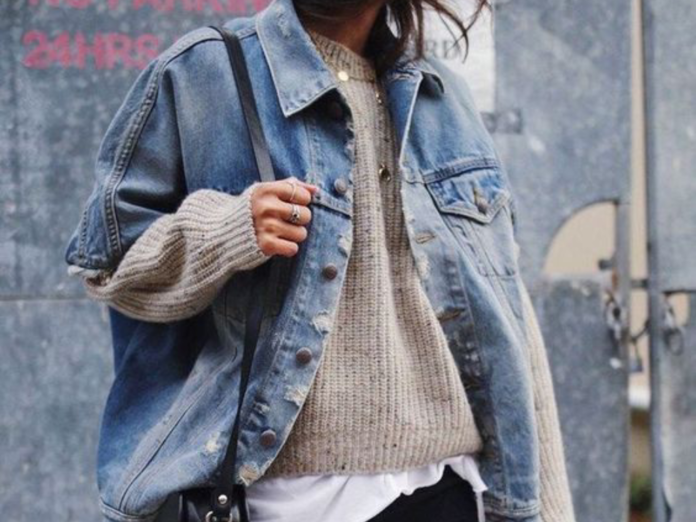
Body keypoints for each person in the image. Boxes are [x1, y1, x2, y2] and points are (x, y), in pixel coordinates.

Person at [64, 0, 576, 521]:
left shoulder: (443, 98)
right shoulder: (204, 73)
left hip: (445, 491)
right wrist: (228, 230)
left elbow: (507, 319)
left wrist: (548, 510)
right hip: (278, 501)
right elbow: (109, 264)